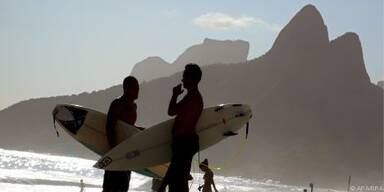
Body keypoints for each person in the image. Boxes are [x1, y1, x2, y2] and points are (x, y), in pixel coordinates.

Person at [158, 64, 204, 192]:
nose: (182, 80)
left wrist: (174, 95)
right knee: (179, 182)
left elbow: (171, 111)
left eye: (184, 77)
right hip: (185, 144)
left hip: (184, 144)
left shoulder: (192, 99)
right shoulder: (193, 97)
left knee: (178, 184)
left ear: (191, 79)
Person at [102, 76, 140, 192]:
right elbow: (109, 127)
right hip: (116, 154)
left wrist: (141, 131)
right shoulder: (117, 104)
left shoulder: (134, 106)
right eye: (135, 88)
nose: (138, 91)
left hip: (127, 154)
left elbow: (128, 128)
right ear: (127, 88)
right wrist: (115, 152)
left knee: (123, 187)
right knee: (110, 187)